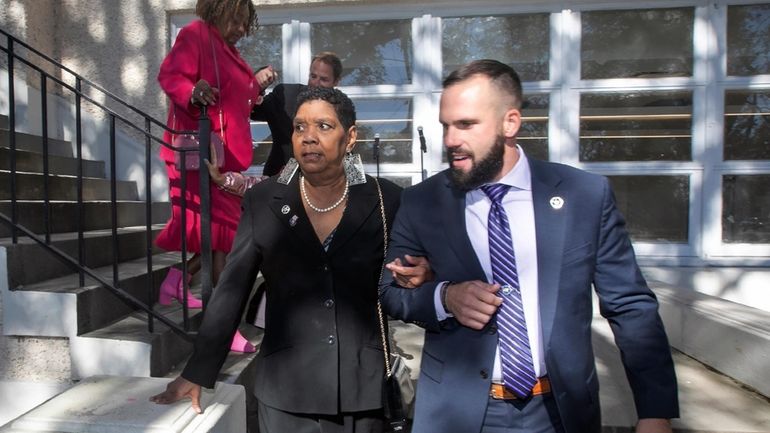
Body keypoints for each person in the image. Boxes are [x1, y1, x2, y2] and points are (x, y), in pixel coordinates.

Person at [379, 59, 679, 433]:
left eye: (466, 124)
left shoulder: (584, 196)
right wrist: (444, 297)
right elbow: (391, 292)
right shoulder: (423, 202)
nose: (451, 140)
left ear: (511, 123)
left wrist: (655, 411)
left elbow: (630, 305)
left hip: (559, 413)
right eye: (446, 126)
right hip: (458, 413)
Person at [151, 87, 405, 433]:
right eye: (300, 127)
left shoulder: (385, 199)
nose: (309, 138)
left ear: (351, 138)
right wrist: (198, 371)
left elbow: (406, 281)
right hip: (287, 392)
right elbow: (232, 288)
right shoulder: (263, 200)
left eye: (324, 127)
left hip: (362, 391)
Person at [154, 0, 272, 353]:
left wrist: (257, 81)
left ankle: (176, 282)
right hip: (200, 159)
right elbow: (170, 76)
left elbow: (242, 100)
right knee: (226, 243)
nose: (239, 28)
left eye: (244, 22)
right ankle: (223, 328)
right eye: (235, 20)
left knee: (220, 239)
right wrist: (191, 91)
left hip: (223, 163)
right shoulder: (196, 35)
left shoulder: (230, 52)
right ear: (217, 11)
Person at [252, 51, 343, 176]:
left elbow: (347, 151)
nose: (316, 83)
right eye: (313, 76)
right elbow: (252, 111)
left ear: (336, 82)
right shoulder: (285, 95)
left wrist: (360, 185)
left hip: (322, 185)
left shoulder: (341, 110)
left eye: (324, 79)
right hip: (282, 178)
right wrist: (256, 85)